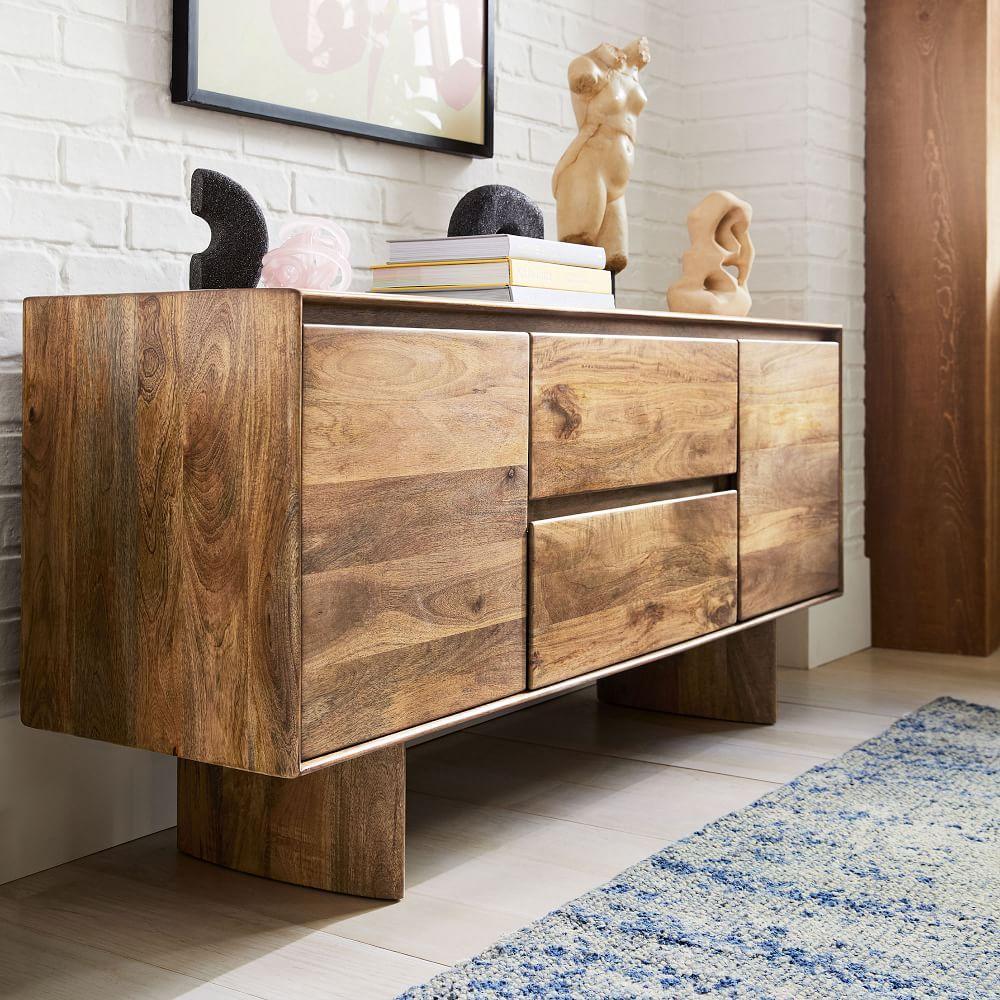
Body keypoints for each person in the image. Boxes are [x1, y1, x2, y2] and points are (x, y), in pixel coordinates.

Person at [552, 36, 650, 274]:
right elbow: (580, 78)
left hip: (618, 182)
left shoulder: (630, 74)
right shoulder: (591, 65)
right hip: (590, 170)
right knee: (579, 248)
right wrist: (600, 55)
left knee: (614, 261)